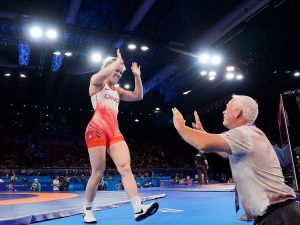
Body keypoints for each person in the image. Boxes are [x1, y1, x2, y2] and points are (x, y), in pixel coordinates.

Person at [172, 94, 300, 224]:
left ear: (238, 112)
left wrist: (179, 125)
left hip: (279, 217)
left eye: (227, 107)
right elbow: (222, 152)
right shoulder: (250, 134)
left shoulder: (244, 133)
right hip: (279, 214)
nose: (223, 111)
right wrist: (203, 132)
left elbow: (203, 144)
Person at [83, 49, 159, 223]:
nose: (118, 74)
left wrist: (137, 76)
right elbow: (98, 77)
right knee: (98, 173)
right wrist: (117, 62)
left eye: (120, 72)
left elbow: (138, 96)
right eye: (116, 71)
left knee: (125, 168)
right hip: (96, 130)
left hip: (114, 131)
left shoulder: (117, 91)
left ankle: (138, 208)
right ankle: (87, 210)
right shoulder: (96, 83)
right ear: (107, 68)